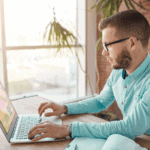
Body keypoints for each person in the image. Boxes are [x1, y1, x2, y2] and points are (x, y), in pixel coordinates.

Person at [28, 9, 150, 145]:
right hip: (135, 139)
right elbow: (101, 102)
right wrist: (65, 108)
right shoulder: (119, 71)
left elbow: (129, 128)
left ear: (132, 43)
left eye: (108, 45)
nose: (104, 52)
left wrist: (68, 129)